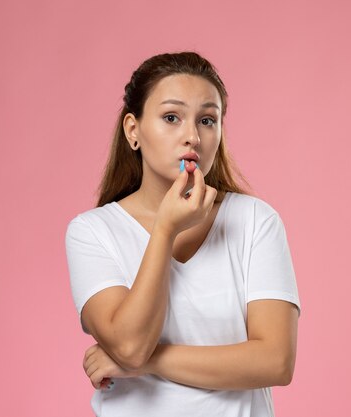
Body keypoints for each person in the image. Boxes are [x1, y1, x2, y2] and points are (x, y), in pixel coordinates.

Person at [65, 51, 301, 417]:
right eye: (171, 117)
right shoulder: (92, 232)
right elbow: (129, 345)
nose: (192, 136)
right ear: (133, 130)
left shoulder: (255, 220)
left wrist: (151, 362)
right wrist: (165, 229)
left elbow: (275, 361)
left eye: (207, 120)